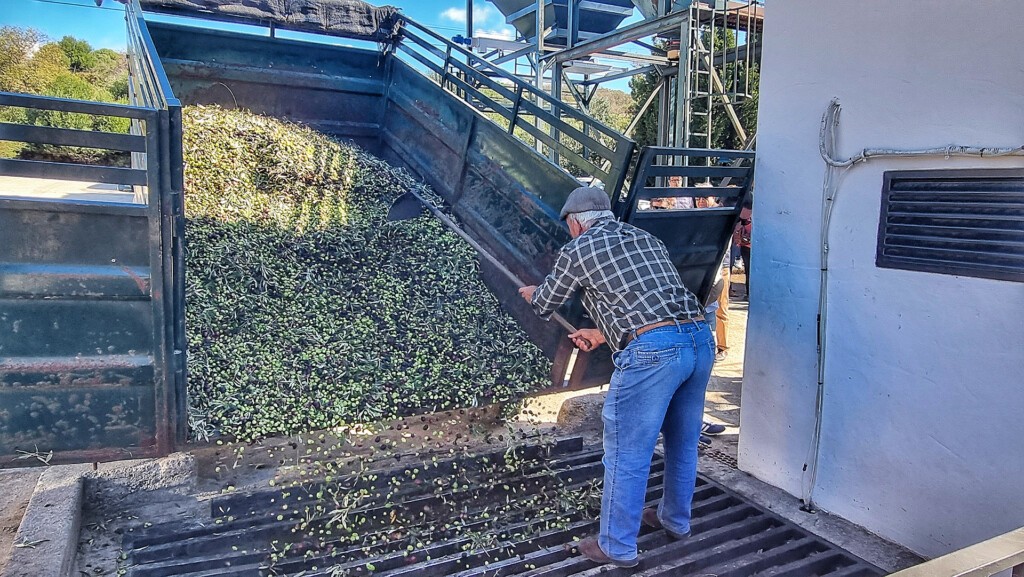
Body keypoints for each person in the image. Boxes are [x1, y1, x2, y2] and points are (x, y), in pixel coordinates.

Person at [518, 187, 715, 567]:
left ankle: (617, 545)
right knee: (683, 440)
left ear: (575, 223)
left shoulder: (578, 248)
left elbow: (545, 302)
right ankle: (675, 519)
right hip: (697, 340)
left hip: (654, 352)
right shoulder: (644, 238)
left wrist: (529, 292)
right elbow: (647, 302)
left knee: (627, 450)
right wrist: (601, 333)